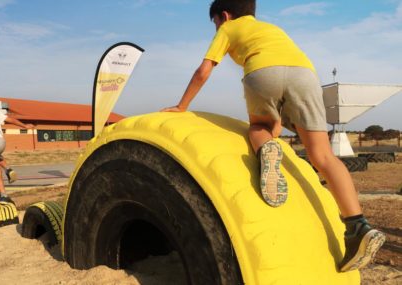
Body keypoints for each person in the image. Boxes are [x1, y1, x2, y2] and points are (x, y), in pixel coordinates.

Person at [161, 0, 385, 272]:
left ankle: (265, 148)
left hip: (262, 71)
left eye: (216, 24)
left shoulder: (229, 29)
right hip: (305, 75)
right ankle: (358, 226)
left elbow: (204, 69)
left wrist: (182, 105)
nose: (217, 28)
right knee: (322, 155)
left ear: (225, 15)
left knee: (260, 128)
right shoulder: (272, 29)